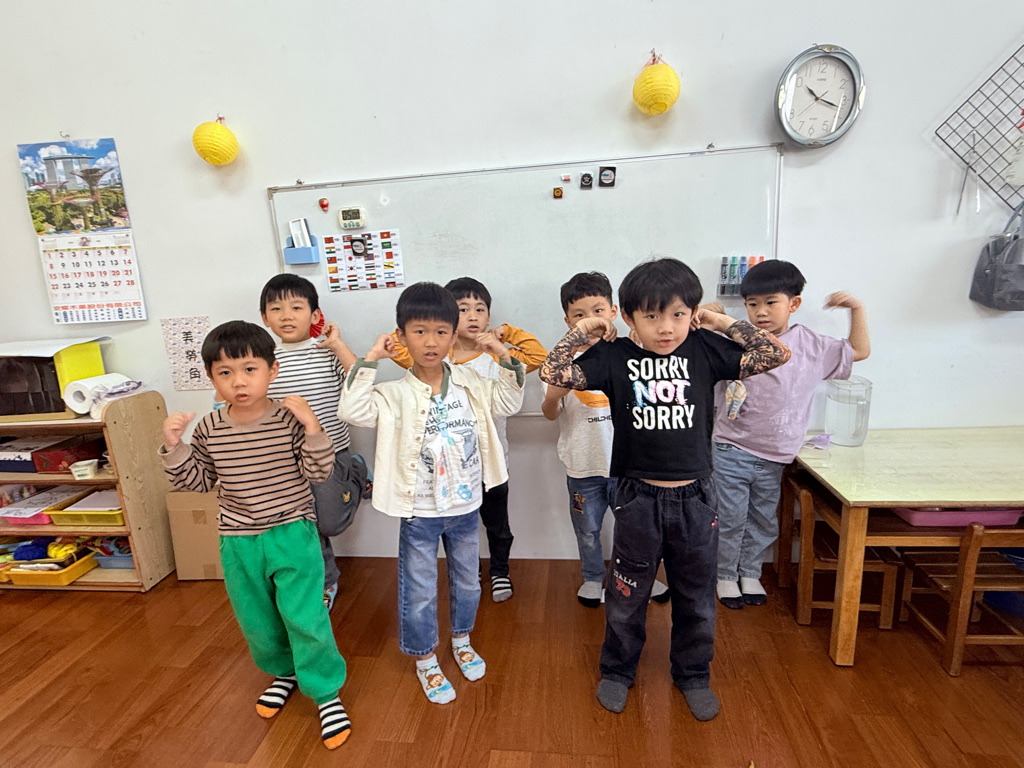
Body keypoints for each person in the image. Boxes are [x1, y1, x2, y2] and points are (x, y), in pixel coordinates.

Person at [539, 258, 790, 720]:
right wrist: (583, 331)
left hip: (696, 499)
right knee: (627, 593)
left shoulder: (705, 348)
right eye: (652, 316)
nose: (666, 327)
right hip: (638, 499)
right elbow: (553, 372)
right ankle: (618, 671)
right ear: (629, 317)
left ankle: (692, 674)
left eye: (678, 314)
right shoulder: (614, 357)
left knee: (696, 596)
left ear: (692, 313)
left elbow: (776, 355)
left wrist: (720, 321)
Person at [160, 320, 351, 750]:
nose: (239, 381)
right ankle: (285, 672)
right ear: (211, 378)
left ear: (272, 370)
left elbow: (320, 471)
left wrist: (314, 428)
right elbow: (196, 481)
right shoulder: (209, 428)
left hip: (292, 533)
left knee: (305, 616)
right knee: (257, 619)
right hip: (238, 540)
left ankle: (325, 692)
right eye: (225, 373)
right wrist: (174, 446)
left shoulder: (288, 420)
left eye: (250, 369)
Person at [338, 282, 525, 704]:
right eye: (419, 332)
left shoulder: (472, 383)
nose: (430, 342)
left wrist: (500, 352)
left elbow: (509, 402)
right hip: (419, 512)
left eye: (441, 332)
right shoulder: (393, 394)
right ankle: (425, 659)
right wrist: (372, 357)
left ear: (454, 335)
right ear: (401, 336)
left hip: (465, 507)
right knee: (419, 591)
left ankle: (461, 640)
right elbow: (353, 410)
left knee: (469, 584)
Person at [709, 259, 870, 609]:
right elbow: (688, 339)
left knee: (763, 520)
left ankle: (750, 572)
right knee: (729, 518)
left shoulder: (811, 345)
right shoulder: (735, 338)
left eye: (771, 302)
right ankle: (724, 575)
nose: (761, 312)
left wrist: (856, 309)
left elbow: (859, 351)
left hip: (777, 454)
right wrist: (709, 313)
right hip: (731, 447)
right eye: (752, 304)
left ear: (793, 303)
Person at [389, 276, 545, 603]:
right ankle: (467, 571)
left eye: (480, 309)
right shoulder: (434, 359)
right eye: (462, 310)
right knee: (458, 528)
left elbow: (539, 356)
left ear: (489, 316)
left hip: (492, 464)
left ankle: (500, 570)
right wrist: (437, 326)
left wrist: (506, 334)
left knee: (497, 524)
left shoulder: (496, 358)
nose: (472, 316)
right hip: (447, 470)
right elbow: (398, 342)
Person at [541, 271, 670, 607]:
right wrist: (555, 393)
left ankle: (643, 577)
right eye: (579, 315)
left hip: (628, 466)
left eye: (597, 311)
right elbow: (550, 413)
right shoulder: (561, 362)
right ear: (568, 321)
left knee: (638, 530)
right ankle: (592, 576)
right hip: (582, 467)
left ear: (613, 312)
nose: (590, 321)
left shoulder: (630, 352)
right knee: (587, 529)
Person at [259, 274, 368, 611]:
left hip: (331, 452)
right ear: (264, 318)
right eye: (276, 309)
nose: (286, 316)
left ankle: (356, 471)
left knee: (330, 521)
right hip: (286, 459)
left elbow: (361, 380)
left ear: (315, 315)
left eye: (296, 307)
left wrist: (338, 345)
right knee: (304, 524)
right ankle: (326, 580)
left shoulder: (325, 350)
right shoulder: (264, 360)